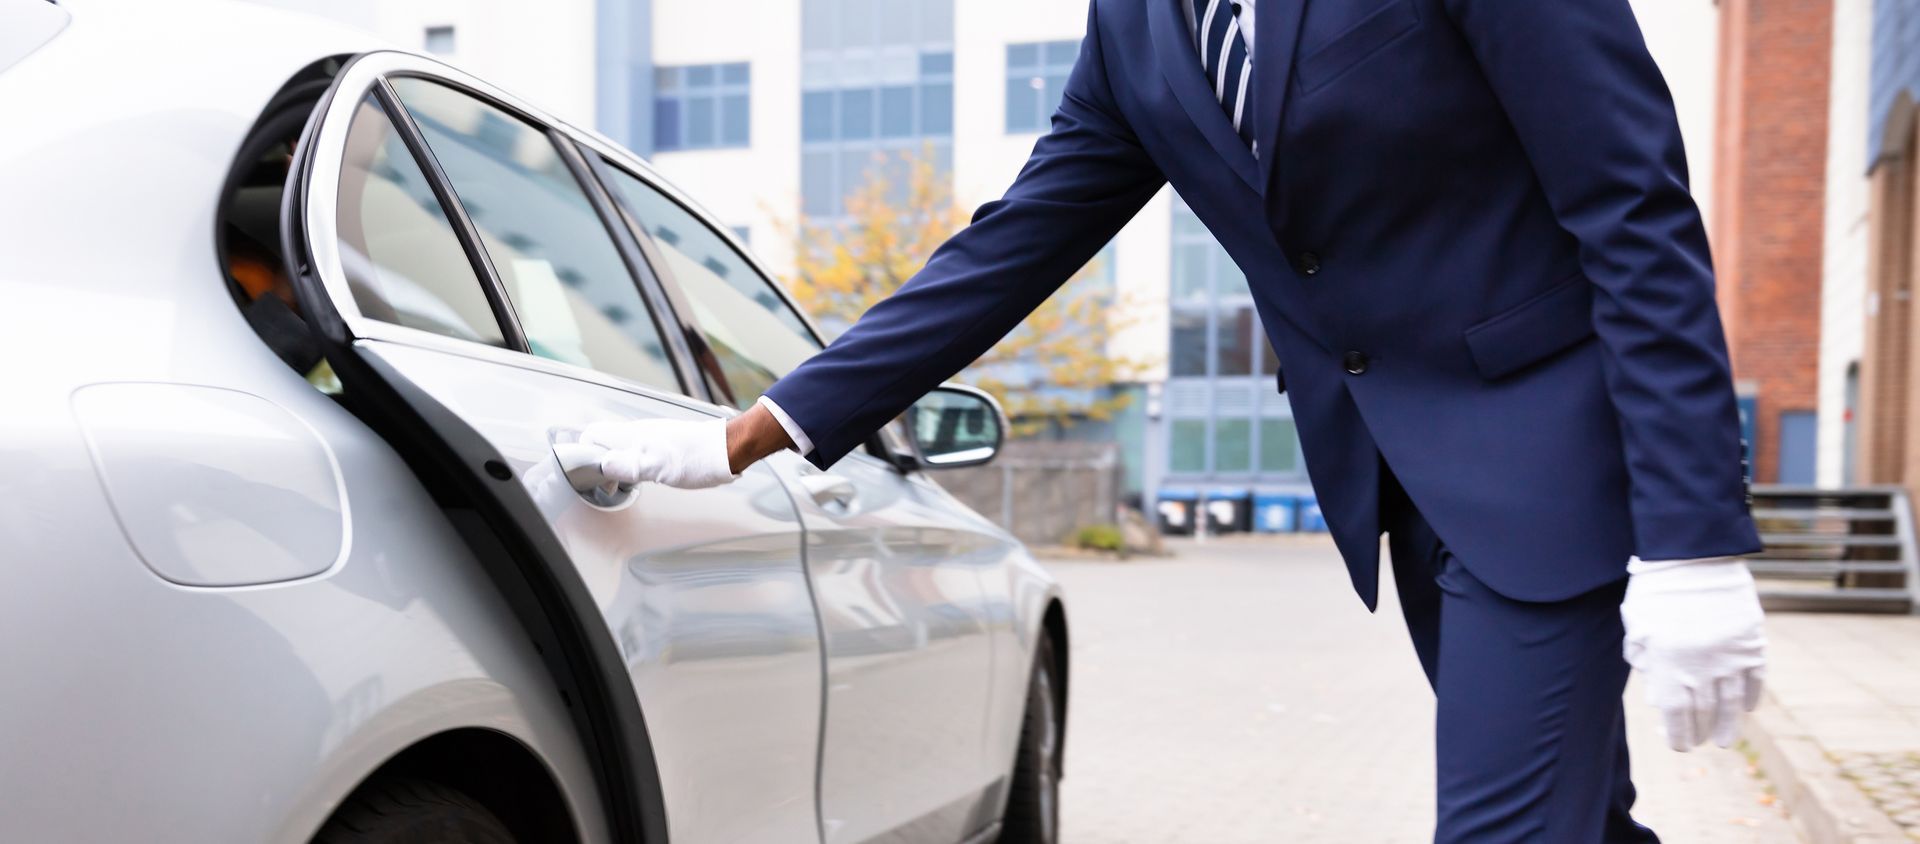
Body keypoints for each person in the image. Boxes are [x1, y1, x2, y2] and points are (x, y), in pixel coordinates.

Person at [585, 0, 1767, 839]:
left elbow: (1633, 209)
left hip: (1552, 455)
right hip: (1409, 488)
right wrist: (752, 432)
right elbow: (1014, 244)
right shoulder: (1139, 27)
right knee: (1576, 815)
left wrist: (1695, 538)